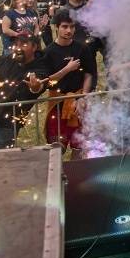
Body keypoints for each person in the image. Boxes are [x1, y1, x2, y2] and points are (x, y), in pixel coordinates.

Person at [0, 32, 48, 150]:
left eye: (23, 44)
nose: (18, 48)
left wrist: (35, 87)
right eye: (16, 44)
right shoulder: (3, 60)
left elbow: (38, 86)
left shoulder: (40, 68)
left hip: (6, 125)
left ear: (34, 47)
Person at [41, 9, 98, 156]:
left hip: (78, 104)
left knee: (79, 149)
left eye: (72, 27)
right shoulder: (48, 52)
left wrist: (83, 96)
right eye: (65, 27)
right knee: (56, 149)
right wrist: (67, 69)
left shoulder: (82, 48)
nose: (69, 30)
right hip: (57, 103)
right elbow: (48, 82)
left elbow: (89, 73)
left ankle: (76, 171)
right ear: (57, 27)